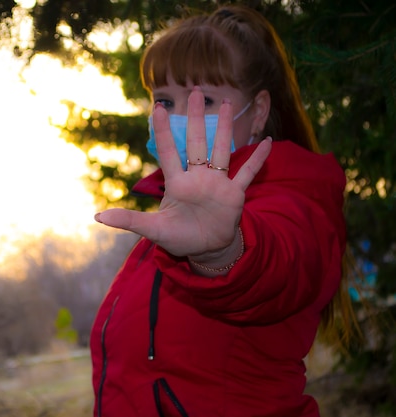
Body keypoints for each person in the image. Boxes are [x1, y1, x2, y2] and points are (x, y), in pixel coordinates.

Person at [90, 5, 349, 417]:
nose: (178, 116)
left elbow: (279, 266)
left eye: (204, 99)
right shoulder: (175, 222)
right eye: (163, 99)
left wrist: (221, 251)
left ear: (259, 111)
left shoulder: (294, 199)